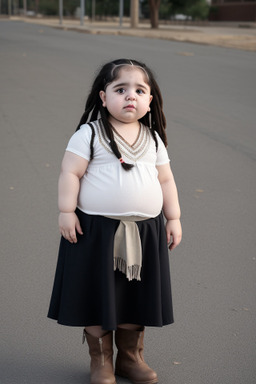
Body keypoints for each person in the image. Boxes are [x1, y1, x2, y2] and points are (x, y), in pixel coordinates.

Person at [48, 58, 182, 384]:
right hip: (95, 231)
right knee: (96, 295)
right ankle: (102, 360)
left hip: (145, 231)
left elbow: (166, 180)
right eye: (120, 89)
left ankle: (130, 357)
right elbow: (70, 172)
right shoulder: (89, 134)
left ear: (150, 100)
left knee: (135, 298)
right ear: (103, 97)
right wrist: (66, 211)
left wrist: (173, 217)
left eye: (139, 90)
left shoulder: (152, 139)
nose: (130, 96)